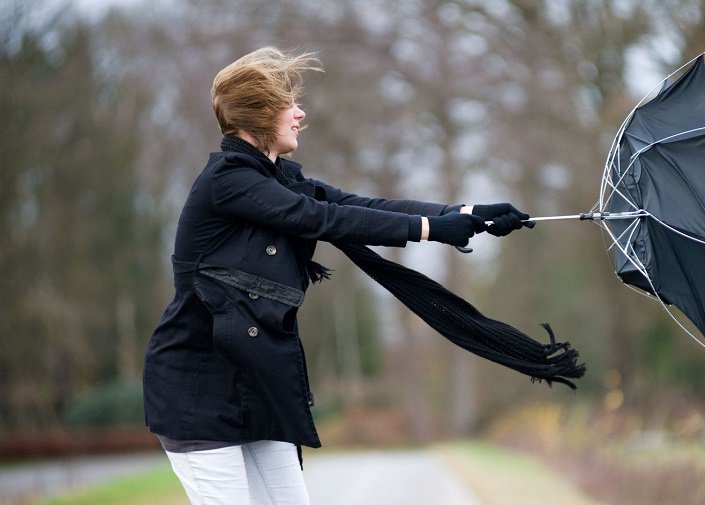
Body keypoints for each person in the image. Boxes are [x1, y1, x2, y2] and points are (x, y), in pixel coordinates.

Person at [142, 46, 532, 505]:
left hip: (256, 387)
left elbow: (358, 205)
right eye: (289, 104)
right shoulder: (228, 181)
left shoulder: (276, 179)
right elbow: (321, 219)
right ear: (260, 112)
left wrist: (465, 213)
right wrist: (430, 229)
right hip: (198, 393)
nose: (300, 113)